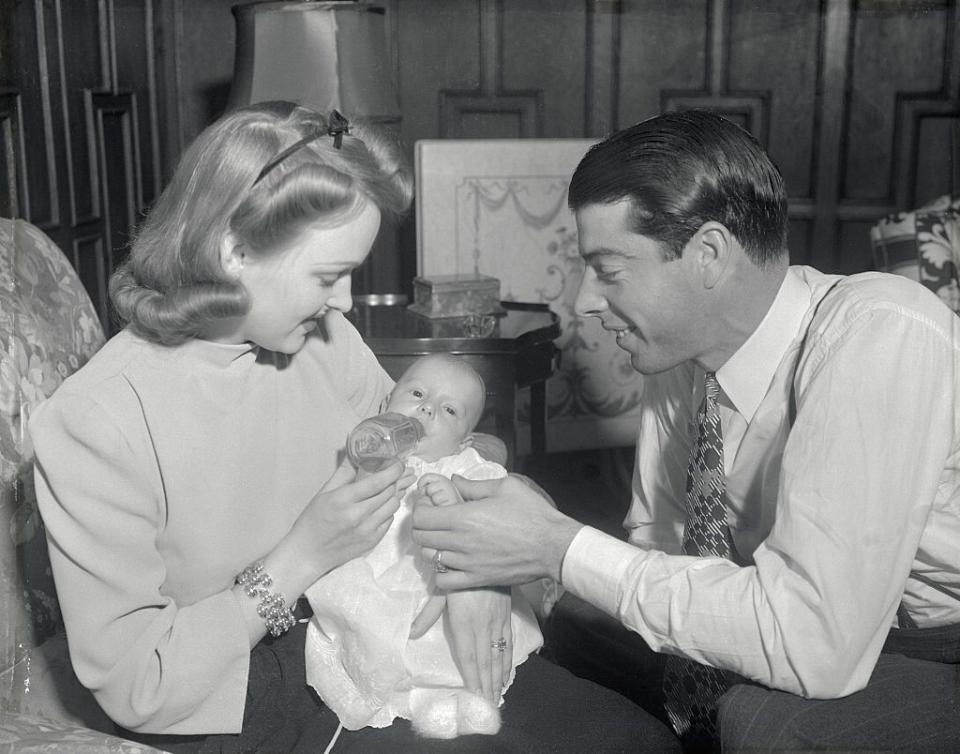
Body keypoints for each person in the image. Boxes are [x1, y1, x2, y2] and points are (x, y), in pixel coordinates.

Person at [30, 100, 679, 753]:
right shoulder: (95, 422)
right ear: (234, 251)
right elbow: (143, 688)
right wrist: (303, 555)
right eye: (329, 276)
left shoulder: (322, 339)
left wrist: (474, 568)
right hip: (243, 702)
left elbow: (451, 448)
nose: (344, 303)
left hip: (387, 633)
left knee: (635, 740)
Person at [411, 109, 960, 752]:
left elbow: (820, 647)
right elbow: (659, 550)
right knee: (554, 624)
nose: (584, 301)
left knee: (764, 726)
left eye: (609, 270)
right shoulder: (680, 358)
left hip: (921, 640)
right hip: (787, 607)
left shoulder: (882, 331)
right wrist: (524, 545)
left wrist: (557, 546)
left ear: (708, 254)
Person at [305, 353, 542, 741]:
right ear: (385, 404)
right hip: (377, 579)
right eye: (417, 393)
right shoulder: (369, 456)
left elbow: (504, 515)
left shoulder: (468, 468)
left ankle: (468, 698)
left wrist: (457, 501)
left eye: (449, 410)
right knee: (376, 635)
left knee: (453, 643)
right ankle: (417, 705)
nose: (427, 408)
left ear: (464, 440)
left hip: (445, 584)